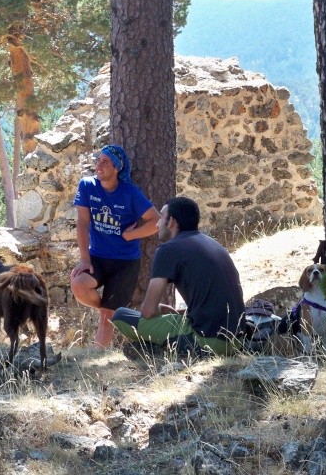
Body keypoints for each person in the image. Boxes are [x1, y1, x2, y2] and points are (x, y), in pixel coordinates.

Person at [111, 196, 246, 357]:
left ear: (172, 222)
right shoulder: (213, 243)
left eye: (161, 217)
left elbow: (147, 312)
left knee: (120, 316)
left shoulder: (168, 249)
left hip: (209, 341)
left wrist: (161, 308)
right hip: (238, 339)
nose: (157, 223)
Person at [70, 144, 161, 347]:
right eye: (98, 160)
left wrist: (131, 236)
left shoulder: (130, 193)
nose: (99, 165)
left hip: (125, 262)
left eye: (105, 162)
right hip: (98, 257)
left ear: (117, 167)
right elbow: (83, 223)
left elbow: (157, 221)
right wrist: (85, 258)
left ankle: (96, 357)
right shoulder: (87, 186)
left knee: (107, 316)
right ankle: (109, 308)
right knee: (78, 285)